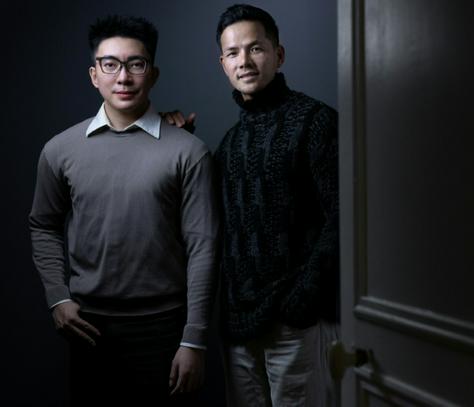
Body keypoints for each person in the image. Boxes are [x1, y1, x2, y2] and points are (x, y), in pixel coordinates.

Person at [29, 15, 218, 406]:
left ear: (153, 74)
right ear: (94, 75)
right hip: (87, 326)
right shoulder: (59, 150)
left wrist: (194, 338)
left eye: (136, 64)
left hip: (165, 328)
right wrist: (57, 297)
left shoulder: (188, 151)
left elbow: (203, 245)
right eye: (110, 64)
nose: (123, 77)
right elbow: (43, 225)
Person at [165, 4, 339, 406]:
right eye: (233, 52)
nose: (244, 61)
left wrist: (302, 299)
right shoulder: (230, 143)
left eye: (255, 48)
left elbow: (344, 218)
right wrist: (180, 144)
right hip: (238, 326)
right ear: (223, 64)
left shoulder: (316, 121)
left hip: (297, 323)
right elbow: (209, 223)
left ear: (279, 54)